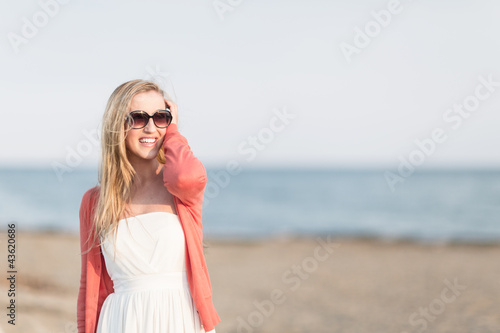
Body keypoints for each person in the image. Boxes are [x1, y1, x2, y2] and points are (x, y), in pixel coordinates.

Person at [77, 80, 220, 333]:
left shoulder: (179, 191)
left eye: (161, 117)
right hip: (119, 322)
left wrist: (173, 131)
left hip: (179, 319)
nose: (151, 128)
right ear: (118, 125)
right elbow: (88, 286)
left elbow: (188, 175)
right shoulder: (95, 201)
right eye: (139, 118)